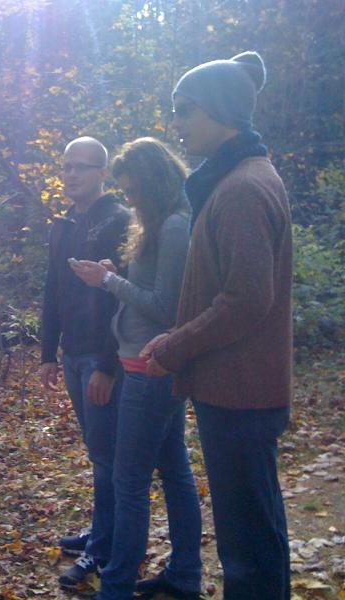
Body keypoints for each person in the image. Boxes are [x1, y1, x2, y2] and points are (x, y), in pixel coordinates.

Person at [141, 52, 293, 600]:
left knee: (247, 544)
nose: (176, 124)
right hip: (239, 388)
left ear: (223, 111)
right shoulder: (240, 179)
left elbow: (248, 298)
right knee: (256, 530)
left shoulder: (241, 189)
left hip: (239, 392)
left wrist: (177, 344)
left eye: (186, 110)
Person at [71, 138, 202, 600]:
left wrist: (108, 280)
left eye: (133, 190)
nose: (128, 199)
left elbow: (168, 309)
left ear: (154, 183)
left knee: (129, 483)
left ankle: (117, 585)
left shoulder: (173, 227)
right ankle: (185, 575)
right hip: (140, 363)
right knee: (175, 473)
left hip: (150, 368)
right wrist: (115, 273)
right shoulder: (156, 224)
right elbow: (147, 288)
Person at [39, 137, 130, 589]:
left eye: (81, 166)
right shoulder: (62, 226)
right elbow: (53, 290)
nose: (71, 173)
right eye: (66, 165)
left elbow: (126, 304)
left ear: (102, 172)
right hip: (72, 354)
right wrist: (46, 354)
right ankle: (102, 531)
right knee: (99, 453)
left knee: (107, 456)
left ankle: (104, 550)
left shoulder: (119, 221)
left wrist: (109, 366)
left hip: (101, 357)